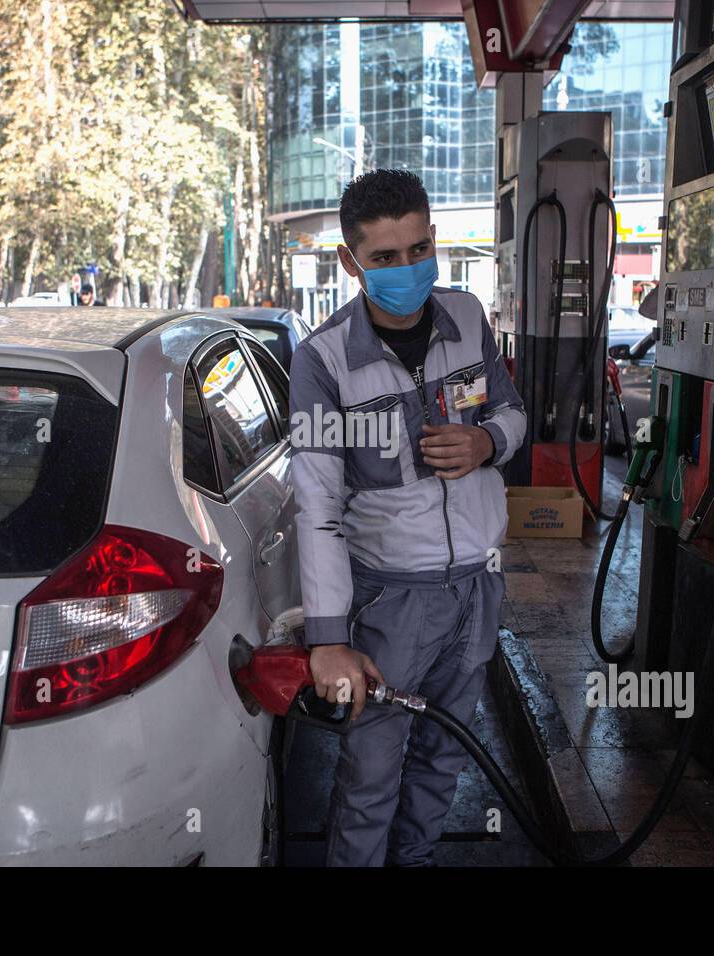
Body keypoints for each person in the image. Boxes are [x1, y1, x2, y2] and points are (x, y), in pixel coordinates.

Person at [288, 168, 526, 867]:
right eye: (386, 258)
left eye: (418, 249)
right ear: (350, 262)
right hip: (389, 602)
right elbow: (319, 507)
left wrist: (487, 442)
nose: (407, 268)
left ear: (434, 240)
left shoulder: (468, 318)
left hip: (477, 590)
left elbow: (513, 414)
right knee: (370, 776)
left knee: (442, 761)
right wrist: (329, 639)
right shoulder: (324, 360)